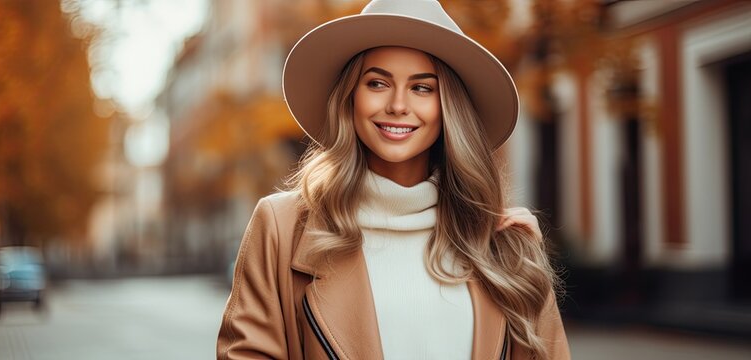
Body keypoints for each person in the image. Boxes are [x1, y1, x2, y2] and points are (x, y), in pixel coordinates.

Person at [217, 1, 569, 359]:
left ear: (449, 107)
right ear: (350, 98)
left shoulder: (500, 238)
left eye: (422, 88)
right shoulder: (281, 227)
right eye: (377, 82)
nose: (398, 105)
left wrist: (528, 266)